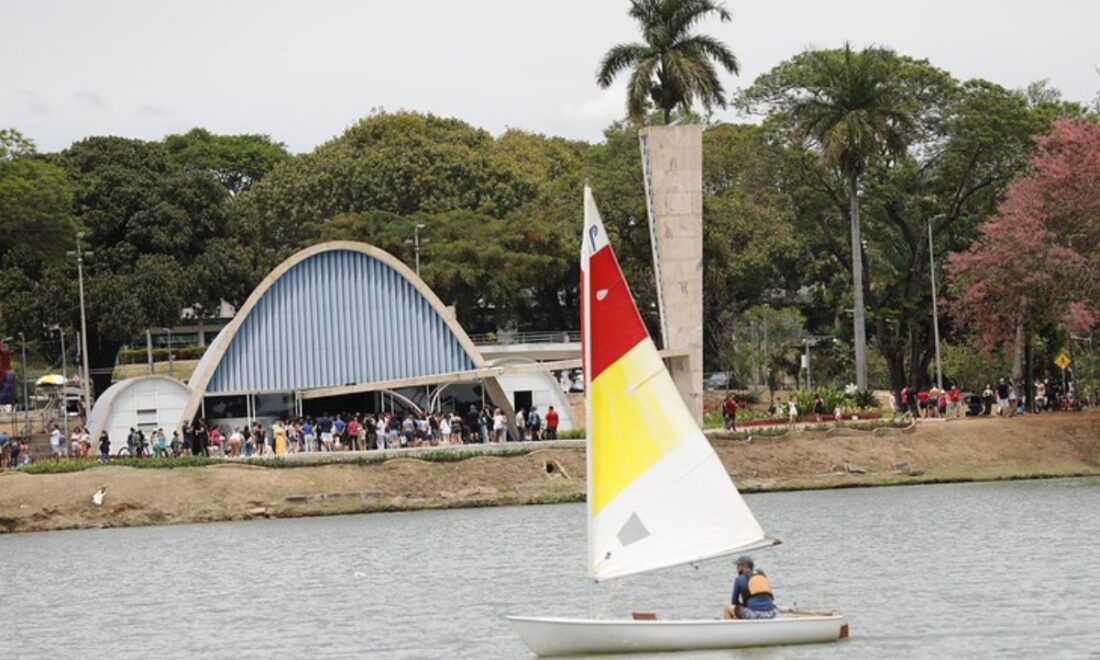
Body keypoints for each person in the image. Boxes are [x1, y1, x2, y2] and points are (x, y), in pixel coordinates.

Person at [723, 555, 779, 620]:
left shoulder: (739, 579)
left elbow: (734, 602)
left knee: (727, 608)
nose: (737, 568)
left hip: (754, 614)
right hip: (772, 613)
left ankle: (732, 629)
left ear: (744, 566)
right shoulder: (762, 575)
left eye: (738, 566)